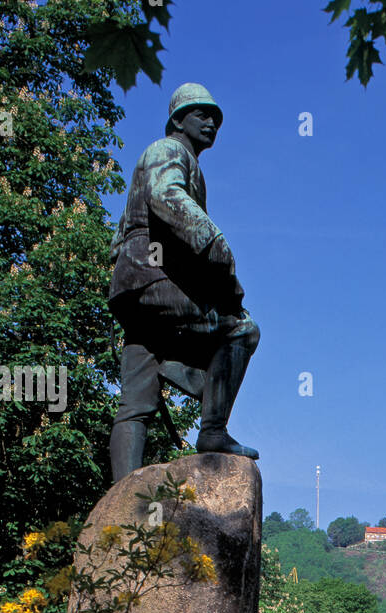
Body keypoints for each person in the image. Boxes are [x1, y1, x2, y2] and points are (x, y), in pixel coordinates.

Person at [107, 82, 260, 480]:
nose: (212, 123)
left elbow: (120, 235)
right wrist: (218, 248)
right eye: (202, 114)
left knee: (136, 401)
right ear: (178, 120)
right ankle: (212, 430)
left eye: (217, 118)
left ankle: (123, 497)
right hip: (153, 275)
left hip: (136, 287)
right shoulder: (169, 151)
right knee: (240, 330)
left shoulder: (182, 161)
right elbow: (166, 198)